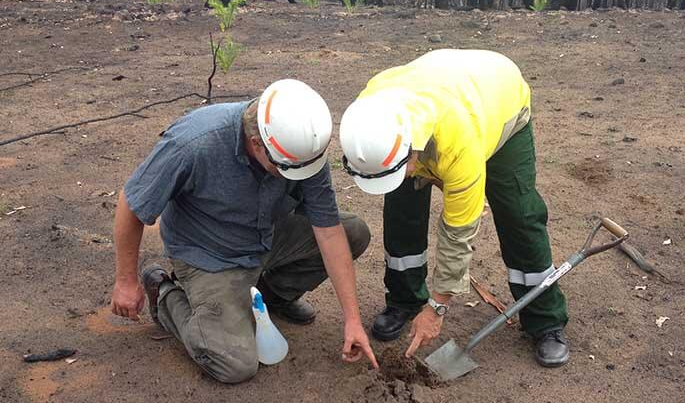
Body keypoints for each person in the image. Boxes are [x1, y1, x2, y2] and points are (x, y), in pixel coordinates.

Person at [111, 79, 379, 383]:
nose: (298, 175)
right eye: (286, 170)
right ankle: (164, 293)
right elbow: (131, 203)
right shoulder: (195, 142)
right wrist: (125, 280)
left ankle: (273, 296)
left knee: (352, 231)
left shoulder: (301, 147)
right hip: (210, 255)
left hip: (265, 234)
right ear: (256, 144)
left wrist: (353, 320)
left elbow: (328, 231)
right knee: (235, 364)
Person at [339, 49, 569, 367]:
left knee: (519, 214)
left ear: (413, 153)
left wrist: (438, 306)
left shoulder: (459, 146)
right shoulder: (370, 118)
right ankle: (405, 300)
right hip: (443, 84)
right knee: (400, 208)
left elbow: (457, 234)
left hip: (500, 103)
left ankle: (545, 319)